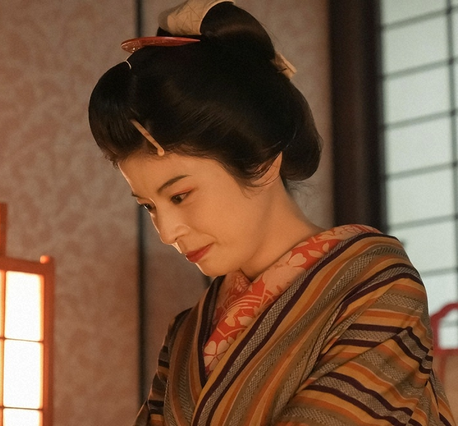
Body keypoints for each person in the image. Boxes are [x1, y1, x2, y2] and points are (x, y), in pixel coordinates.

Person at [88, 0, 456, 425]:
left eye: (181, 196)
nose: (167, 232)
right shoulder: (187, 332)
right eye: (149, 206)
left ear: (263, 162)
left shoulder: (377, 286)